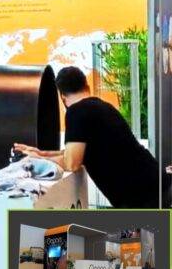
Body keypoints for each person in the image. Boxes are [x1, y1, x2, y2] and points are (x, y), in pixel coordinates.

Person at [14, 66, 165, 208]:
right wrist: (41, 153)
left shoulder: (76, 112)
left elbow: (72, 162)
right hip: (156, 185)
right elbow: (76, 152)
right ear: (87, 87)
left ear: (62, 96)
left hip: (145, 199)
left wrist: (37, 160)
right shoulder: (102, 107)